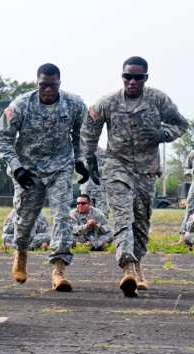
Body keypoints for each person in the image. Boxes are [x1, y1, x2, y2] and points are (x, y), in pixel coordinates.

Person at [81, 56, 189, 297]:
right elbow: (89, 129)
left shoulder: (158, 99)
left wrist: (163, 133)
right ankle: (127, 266)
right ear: (122, 77)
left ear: (145, 78)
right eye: (127, 76)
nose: (132, 81)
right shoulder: (107, 102)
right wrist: (89, 159)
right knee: (122, 217)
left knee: (141, 223)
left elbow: (182, 125)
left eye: (137, 77)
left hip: (146, 170)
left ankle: (137, 265)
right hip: (117, 166)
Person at [0, 63, 88, 292]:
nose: (48, 90)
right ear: (37, 83)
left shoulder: (74, 104)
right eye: (43, 85)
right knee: (25, 219)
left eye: (52, 85)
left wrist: (80, 160)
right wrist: (16, 167)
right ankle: (21, 252)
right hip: (28, 169)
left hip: (60, 167)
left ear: (59, 83)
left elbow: (82, 134)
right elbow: (2, 138)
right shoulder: (20, 105)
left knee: (63, 216)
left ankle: (59, 268)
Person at [79, 146, 110, 219]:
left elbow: (107, 169)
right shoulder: (82, 153)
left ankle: (101, 230)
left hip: (100, 189)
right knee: (86, 214)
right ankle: (88, 230)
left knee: (102, 215)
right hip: (86, 189)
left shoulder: (104, 153)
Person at [175, 151, 194, 245]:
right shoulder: (192, 154)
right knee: (189, 209)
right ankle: (183, 237)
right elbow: (186, 169)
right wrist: (192, 171)